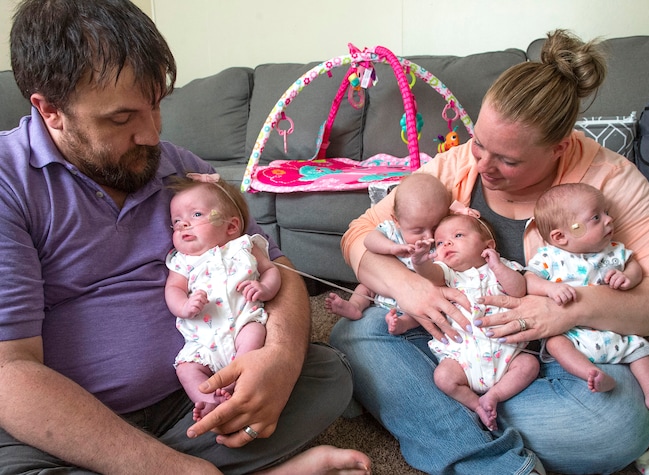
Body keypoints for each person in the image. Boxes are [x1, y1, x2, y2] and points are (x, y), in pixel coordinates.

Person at [0, 0, 371, 473]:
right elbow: (9, 371)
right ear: (49, 109)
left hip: (194, 395)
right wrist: (176, 469)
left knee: (325, 373)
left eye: (156, 105)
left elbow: (274, 267)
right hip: (68, 423)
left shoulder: (182, 168)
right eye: (121, 119)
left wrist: (277, 358)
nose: (152, 134)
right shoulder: (8, 182)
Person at [330, 28, 649, 475]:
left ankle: (421, 408)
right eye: (480, 144)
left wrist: (568, 310)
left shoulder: (610, 180)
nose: (483, 165)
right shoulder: (460, 162)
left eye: (508, 160)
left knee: (615, 425)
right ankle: (492, 458)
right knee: (356, 334)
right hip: (459, 339)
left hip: (559, 355)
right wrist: (410, 289)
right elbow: (359, 235)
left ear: (560, 147)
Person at [525, 183, 649, 409]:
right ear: (560, 236)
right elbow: (528, 280)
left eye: (607, 213)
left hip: (612, 330)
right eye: (596, 217)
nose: (608, 220)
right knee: (556, 344)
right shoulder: (550, 257)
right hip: (573, 334)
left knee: (639, 348)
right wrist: (550, 289)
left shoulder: (614, 251)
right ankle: (590, 374)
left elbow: (634, 267)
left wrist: (628, 277)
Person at [400, 209, 539, 431]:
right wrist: (420, 262)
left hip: (507, 354)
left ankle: (493, 396)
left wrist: (498, 267)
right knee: (443, 378)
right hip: (463, 357)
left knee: (530, 365)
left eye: (458, 236)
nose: (446, 245)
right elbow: (431, 274)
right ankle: (477, 405)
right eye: (440, 242)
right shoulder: (449, 274)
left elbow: (519, 290)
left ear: (489, 246)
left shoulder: (503, 267)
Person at [165, 174, 281, 421]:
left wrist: (265, 288)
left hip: (242, 324)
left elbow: (272, 270)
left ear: (231, 226)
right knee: (186, 369)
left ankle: (238, 381)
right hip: (203, 340)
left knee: (254, 335)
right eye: (176, 221)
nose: (183, 224)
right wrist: (184, 306)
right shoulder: (182, 261)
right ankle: (207, 400)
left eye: (196, 215)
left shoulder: (245, 246)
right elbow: (173, 289)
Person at [324, 173, 450, 320]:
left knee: (429, 308)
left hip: (419, 302)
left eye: (435, 227)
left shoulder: (438, 245)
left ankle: (403, 323)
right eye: (418, 230)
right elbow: (369, 240)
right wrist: (391, 247)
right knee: (364, 288)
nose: (429, 236)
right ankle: (355, 307)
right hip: (383, 291)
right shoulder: (391, 231)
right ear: (397, 221)